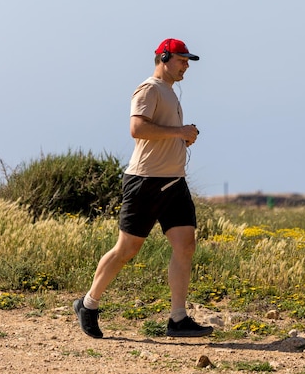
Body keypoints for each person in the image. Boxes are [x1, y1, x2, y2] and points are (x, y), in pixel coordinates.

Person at [73, 38, 213, 338]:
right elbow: (137, 129)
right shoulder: (149, 88)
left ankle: (177, 319)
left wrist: (182, 138)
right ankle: (88, 303)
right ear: (164, 57)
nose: (186, 65)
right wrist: (179, 131)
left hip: (174, 182)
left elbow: (158, 133)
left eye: (188, 60)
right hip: (146, 182)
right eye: (181, 59)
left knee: (186, 245)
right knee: (127, 249)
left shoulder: (170, 93)